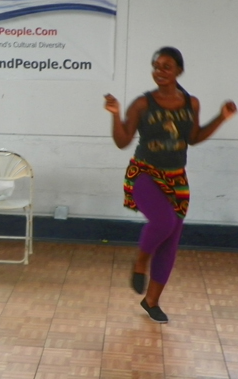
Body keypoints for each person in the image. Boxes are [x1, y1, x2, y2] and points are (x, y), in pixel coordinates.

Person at [104, 47, 236, 323]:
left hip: (176, 178)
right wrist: (115, 113)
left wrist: (222, 117)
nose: (160, 72)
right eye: (156, 66)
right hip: (144, 174)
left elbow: (194, 137)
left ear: (179, 70)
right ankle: (140, 261)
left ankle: (151, 301)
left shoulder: (191, 103)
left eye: (166, 66)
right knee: (163, 222)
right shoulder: (142, 103)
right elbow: (122, 140)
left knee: (171, 239)